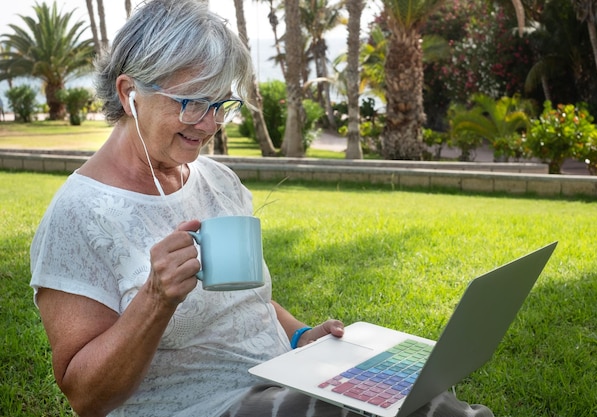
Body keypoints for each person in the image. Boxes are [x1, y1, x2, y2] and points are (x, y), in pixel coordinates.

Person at [30, 1, 494, 416]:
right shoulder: (79, 213)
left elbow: (246, 303)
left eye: (221, 104)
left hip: (282, 378)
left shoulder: (218, 181)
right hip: (201, 405)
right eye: (193, 104)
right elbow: (84, 397)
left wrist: (299, 337)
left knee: (417, 392)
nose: (209, 124)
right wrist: (155, 300)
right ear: (130, 93)